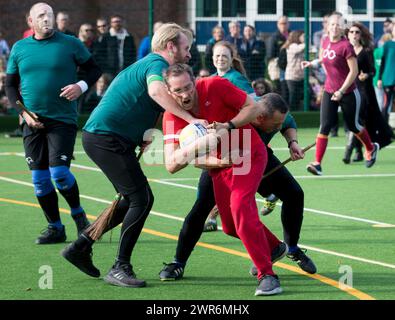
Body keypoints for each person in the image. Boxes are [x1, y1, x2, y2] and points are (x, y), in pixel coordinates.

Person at [60, 23, 207, 288]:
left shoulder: (152, 65)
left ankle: (80, 247)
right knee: (142, 198)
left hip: (108, 138)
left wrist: (145, 132)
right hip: (106, 138)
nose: (188, 54)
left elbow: (144, 101)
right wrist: (190, 120)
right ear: (170, 46)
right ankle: (120, 267)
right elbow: (154, 91)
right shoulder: (156, 65)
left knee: (131, 200)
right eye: (186, 48)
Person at [160, 63, 287, 296]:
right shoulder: (171, 117)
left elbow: (254, 107)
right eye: (178, 91)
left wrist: (227, 127)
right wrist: (209, 154)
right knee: (229, 226)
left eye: (189, 87)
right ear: (169, 92)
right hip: (220, 167)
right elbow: (172, 165)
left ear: (195, 81)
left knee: (241, 207)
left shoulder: (215, 85)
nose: (185, 94)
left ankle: (268, 275)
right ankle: (275, 247)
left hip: (249, 153)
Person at [5, 2, 101, 244]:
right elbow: (10, 85)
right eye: (41, 16)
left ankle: (79, 216)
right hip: (31, 121)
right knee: (39, 179)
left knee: (59, 173)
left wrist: (80, 86)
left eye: (49, 15)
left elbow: (93, 70)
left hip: (62, 119)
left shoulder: (70, 43)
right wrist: (24, 113)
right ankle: (55, 228)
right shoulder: (19, 48)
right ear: (31, 22)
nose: (47, 19)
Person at [301, 12, 379, 175]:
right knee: (324, 126)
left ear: (342, 27)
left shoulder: (346, 46)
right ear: (327, 26)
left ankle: (371, 148)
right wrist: (312, 62)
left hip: (349, 92)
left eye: (338, 24)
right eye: (332, 24)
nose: (334, 27)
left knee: (354, 126)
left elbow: (354, 71)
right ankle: (317, 164)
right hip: (329, 90)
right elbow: (325, 58)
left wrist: (341, 91)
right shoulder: (325, 40)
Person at [343, 22, 393, 164]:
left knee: (359, 119)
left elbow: (373, 70)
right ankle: (358, 151)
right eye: (351, 32)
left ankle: (349, 150)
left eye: (357, 32)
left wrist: (367, 75)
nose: (354, 34)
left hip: (364, 90)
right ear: (348, 34)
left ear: (360, 35)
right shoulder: (344, 50)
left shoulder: (366, 51)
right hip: (349, 89)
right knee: (354, 121)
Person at [283, 30, 305, 111]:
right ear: (297, 37)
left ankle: (299, 111)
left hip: (301, 76)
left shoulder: (304, 46)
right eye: (303, 36)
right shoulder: (292, 46)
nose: (305, 38)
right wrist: (308, 43)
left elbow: (311, 57)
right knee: (293, 97)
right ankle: (292, 113)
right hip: (292, 77)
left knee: (300, 96)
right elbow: (299, 49)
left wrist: (312, 51)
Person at [377, 24, 395, 123]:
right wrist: (380, 78)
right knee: (387, 103)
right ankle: (384, 128)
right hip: (389, 79)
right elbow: (383, 62)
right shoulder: (388, 44)